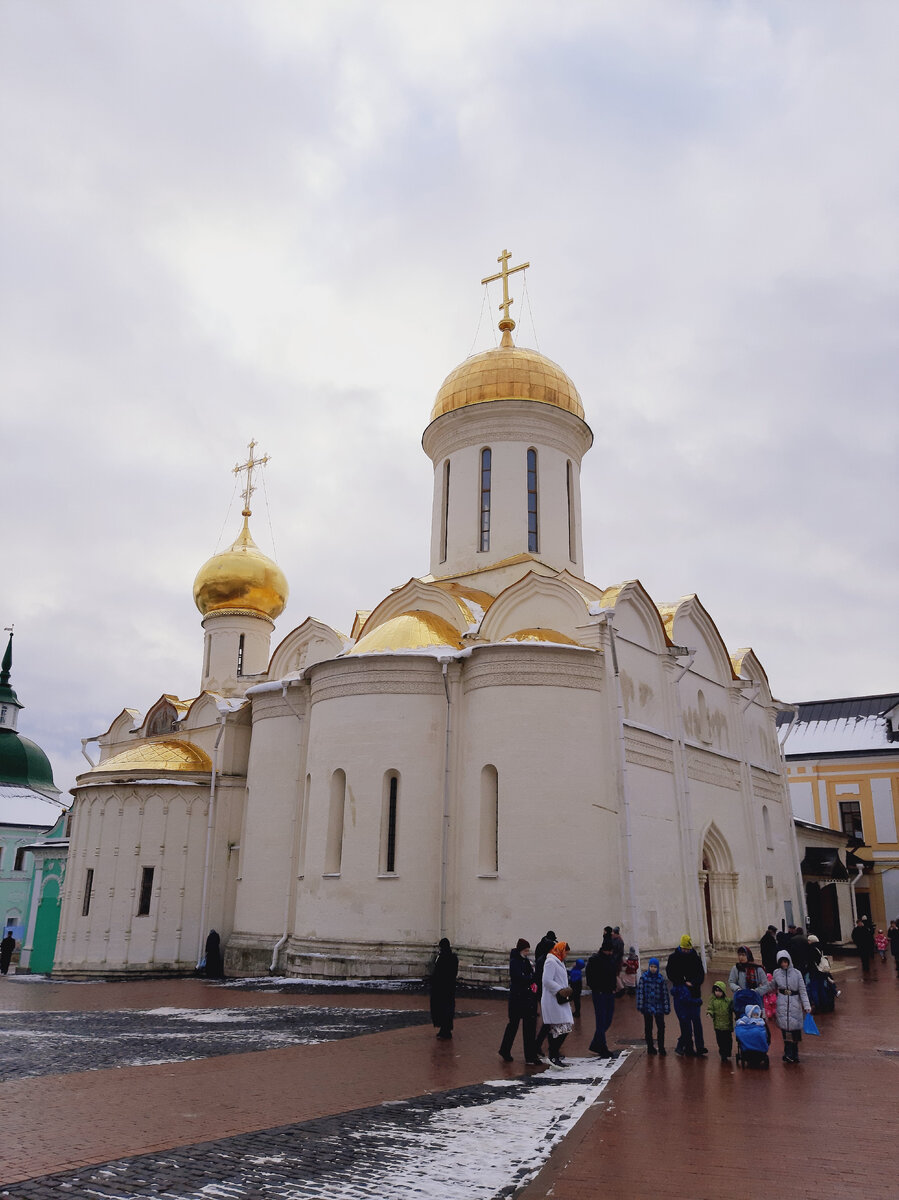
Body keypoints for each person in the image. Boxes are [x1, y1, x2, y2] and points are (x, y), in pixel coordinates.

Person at [499, 939, 539, 1064]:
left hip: (527, 998)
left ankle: (530, 1056)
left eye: (528, 950)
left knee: (529, 1027)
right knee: (513, 1025)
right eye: (526, 950)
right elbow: (519, 978)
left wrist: (531, 979)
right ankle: (505, 1049)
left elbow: (530, 976)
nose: (527, 952)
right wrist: (531, 978)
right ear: (521, 950)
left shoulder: (526, 961)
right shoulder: (515, 962)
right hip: (517, 998)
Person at [666, 935, 706, 1056]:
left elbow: (701, 975)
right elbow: (670, 974)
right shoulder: (674, 958)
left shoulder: (695, 957)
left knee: (697, 1021)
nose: (686, 951)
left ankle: (700, 1047)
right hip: (681, 994)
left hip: (694, 994)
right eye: (684, 949)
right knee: (685, 1022)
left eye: (688, 949)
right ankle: (688, 1047)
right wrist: (682, 982)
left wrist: (693, 982)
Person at [772, 949, 811, 1065]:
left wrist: (806, 1005)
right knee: (786, 1032)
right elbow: (772, 986)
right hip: (783, 1004)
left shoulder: (797, 973)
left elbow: (802, 990)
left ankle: (795, 1053)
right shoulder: (776, 973)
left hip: (794, 1004)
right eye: (781, 962)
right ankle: (788, 1053)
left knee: (795, 1032)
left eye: (785, 961)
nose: (784, 964)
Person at [540, 940, 574, 1066]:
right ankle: (553, 1055)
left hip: (559, 999)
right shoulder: (551, 961)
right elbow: (547, 980)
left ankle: (554, 1053)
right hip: (553, 999)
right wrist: (560, 990)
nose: (566, 955)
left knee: (563, 1027)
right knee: (559, 1027)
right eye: (566, 952)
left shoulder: (558, 961)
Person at [586, 933, 619, 1057]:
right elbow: (590, 977)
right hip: (599, 993)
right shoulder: (595, 960)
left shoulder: (610, 959)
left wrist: (614, 987)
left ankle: (596, 1043)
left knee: (608, 1020)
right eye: (609, 951)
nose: (611, 953)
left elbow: (612, 974)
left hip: (609, 993)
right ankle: (602, 1046)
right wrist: (596, 988)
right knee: (601, 1020)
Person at [635, 956, 669, 1056]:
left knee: (661, 1027)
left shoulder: (660, 979)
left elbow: (664, 993)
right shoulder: (644, 978)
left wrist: (666, 1007)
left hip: (659, 1006)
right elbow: (640, 992)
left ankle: (661, 1047)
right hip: (647, 1006)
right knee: (648, 1027)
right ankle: (650, 1046)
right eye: (651, 966)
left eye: (655, 967)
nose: (653, 968)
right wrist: (640, 1005)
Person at [533, 929, 557, 1055]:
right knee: (550, 1021)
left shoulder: (544, 959)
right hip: (546, 994)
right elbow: (545, 979)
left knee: (550, 1021)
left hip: (545, 993)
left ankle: (549, 1048)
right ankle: (542, 1046)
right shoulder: (546, 961)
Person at [429, 937, 459, 1039]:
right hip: (449, 988)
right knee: (447, 1009)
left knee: (441, 1009)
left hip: (441, 988)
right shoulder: (453, 957)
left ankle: (444, 1030)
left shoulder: (442, 958)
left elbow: (438, 973)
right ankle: (445, 1029)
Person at [706, 981, 734, 1062]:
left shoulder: (728, 1001)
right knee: (720, 1041)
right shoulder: (713, 1001)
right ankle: (723, 1054)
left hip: (727, 1026)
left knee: (728, 1040)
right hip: (718, 1026)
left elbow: (732, 1007)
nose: (717, 993)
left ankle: (727, 1052)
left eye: (719, 991)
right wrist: (709, 1013)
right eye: (716, 990)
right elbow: (710, 1008)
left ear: (723, 991)